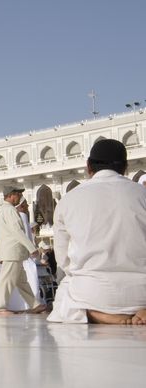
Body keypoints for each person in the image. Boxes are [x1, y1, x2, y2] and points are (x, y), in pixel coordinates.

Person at [49, 139, 146, 325]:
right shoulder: (142, 194)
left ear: (88, 167)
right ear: (125, 167)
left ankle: (99, 315)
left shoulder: (68, 200)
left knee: (65, 291)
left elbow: (64, 261)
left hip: (93, 294)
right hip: (142, 293)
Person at [0, 186, 45, 315]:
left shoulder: (0, 211)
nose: (20, 197)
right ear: (11, 195)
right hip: (13, 251)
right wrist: (31, 248)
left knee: (22, 281)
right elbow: (17, 231)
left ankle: (34, 304)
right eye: (17, 194)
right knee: (7, 280)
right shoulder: (10, 210)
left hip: (9, 251)